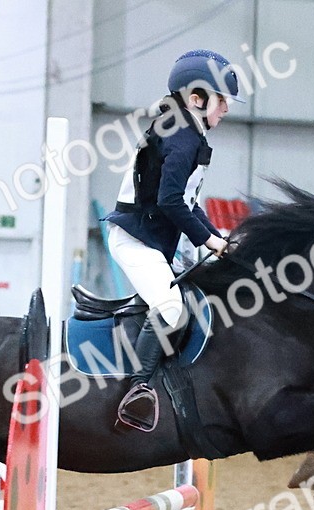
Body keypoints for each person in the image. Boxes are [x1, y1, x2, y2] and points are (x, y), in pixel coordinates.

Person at [104, 49, 245, 432]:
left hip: (153, 237)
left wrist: (216, 239)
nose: (227, 109)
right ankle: (137, 392)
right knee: (172, 309)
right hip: (135, 239)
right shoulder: (181, 138)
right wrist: (210, 241)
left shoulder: (184, 132)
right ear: (197, 98)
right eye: (222, 100)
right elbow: (169, 201)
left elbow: (186, 203)